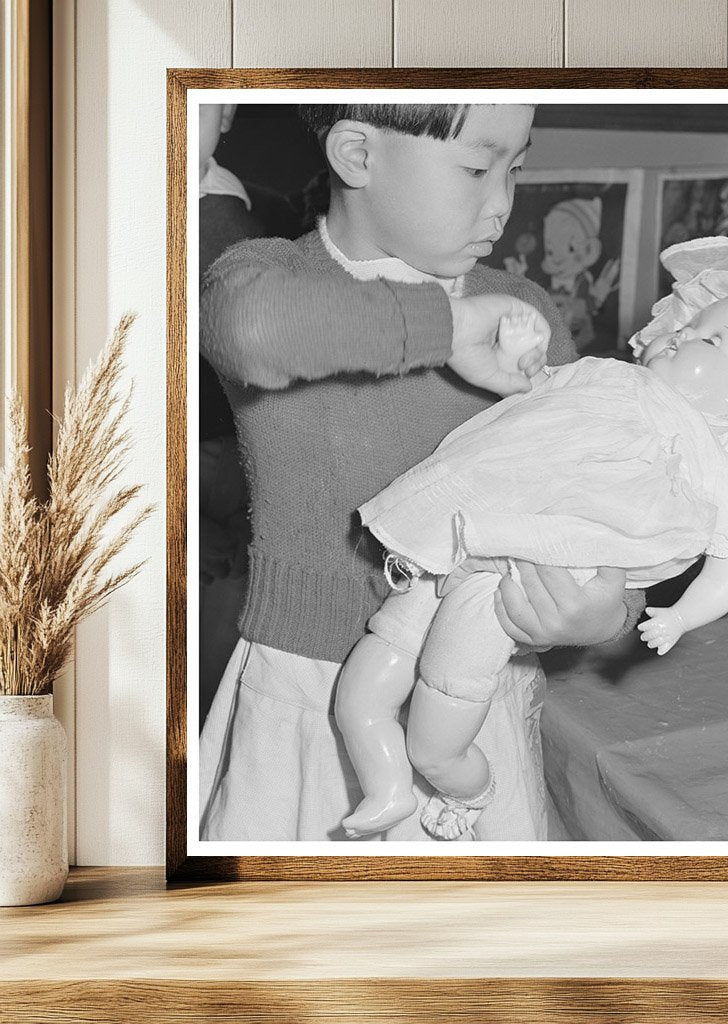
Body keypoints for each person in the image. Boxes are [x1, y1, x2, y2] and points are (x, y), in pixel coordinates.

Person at [198, 102, 639, 843]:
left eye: (516, 168)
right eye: (475, 168)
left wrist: (609, 613)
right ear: (358, 155)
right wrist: (454, 326)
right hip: (303, 697)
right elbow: (252, 331)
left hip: (473, 706)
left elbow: (602, 513)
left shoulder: (526, 311)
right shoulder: (263, 274)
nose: (502, 202)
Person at [342, 292, 728, 840]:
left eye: (710, 339)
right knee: (370, 674)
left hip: (519, 581)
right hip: (459, 535)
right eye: (691, 323)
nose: (682, 333)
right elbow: (528, 397)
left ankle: (465, 788)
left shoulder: (721, 466)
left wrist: (678, 616)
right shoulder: (603, 376)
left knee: (437, 729)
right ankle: (386, 781)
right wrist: (517, 362)